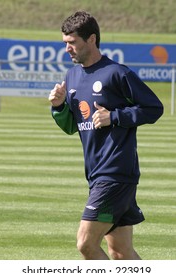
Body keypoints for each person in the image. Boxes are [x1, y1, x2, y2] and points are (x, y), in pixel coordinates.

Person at [48, 11, 163, 260]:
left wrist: (115, 117)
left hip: (115, 173)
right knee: (121, 253)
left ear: (91, 39)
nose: (67, 48)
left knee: (86, 243)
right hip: (97, 174)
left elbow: (154, 108)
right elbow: (72, 126)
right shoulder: (72, 76)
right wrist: (59, 106)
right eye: (65, 42)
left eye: (72, 42)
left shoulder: (117, 73)